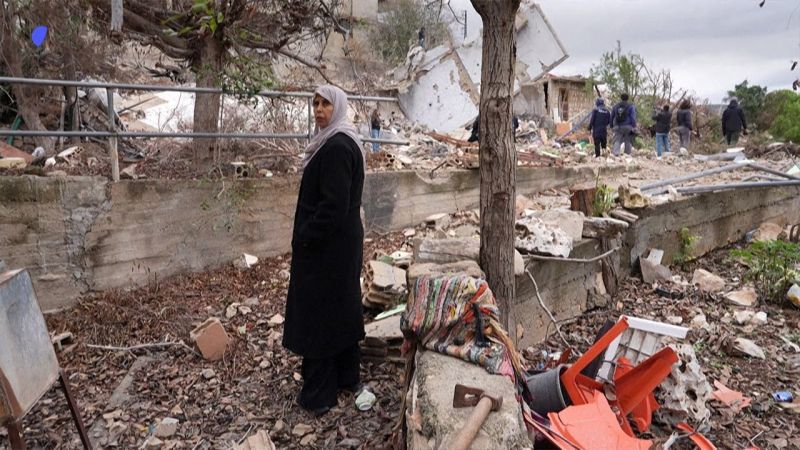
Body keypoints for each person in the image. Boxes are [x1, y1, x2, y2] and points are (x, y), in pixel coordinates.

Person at [283, 85, 366, 417]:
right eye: (315, 103)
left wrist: (306, 235)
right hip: (340, 244)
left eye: (326, 104)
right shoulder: (341, 141)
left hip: (328, 248)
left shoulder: (335, 147)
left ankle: (319, 394)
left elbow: (333, 206)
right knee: (340, 307)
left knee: (318, 314)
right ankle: (347, 377)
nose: (318, 110)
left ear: (339, 108)